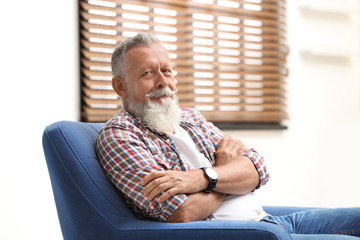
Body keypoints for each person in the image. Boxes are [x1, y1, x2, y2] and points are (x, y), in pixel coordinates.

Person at [96, 32, 360, 239]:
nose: (163, 82)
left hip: (269, 223)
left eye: (166, 70)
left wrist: (201, 179)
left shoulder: (190, 118)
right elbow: (181, 212)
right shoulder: (120, 136)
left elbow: (257, 168)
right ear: (120, 86)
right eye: (148, 73)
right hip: (241, 234)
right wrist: (222, 170)